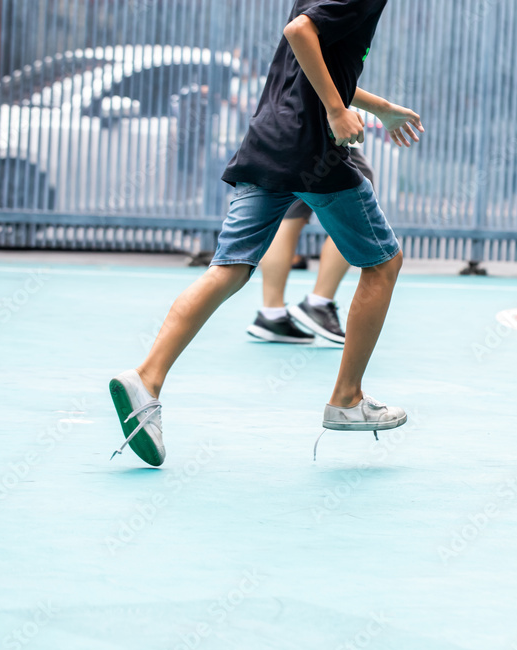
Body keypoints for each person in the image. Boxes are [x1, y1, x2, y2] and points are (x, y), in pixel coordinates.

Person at [108, 0, 423, 466]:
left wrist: (381, 108)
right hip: (314, 153)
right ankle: (346, 398)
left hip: (267, 143)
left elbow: (315, 64)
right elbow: (299, 33)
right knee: (382, 263)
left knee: (227, 271)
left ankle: (146, 379)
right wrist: (338, 112)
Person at [246, 147, 376, 345]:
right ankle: (319, 304)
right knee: (358, 205)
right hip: (327, 133)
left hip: (291, 134)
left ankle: (272, 313)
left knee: (291, 208)